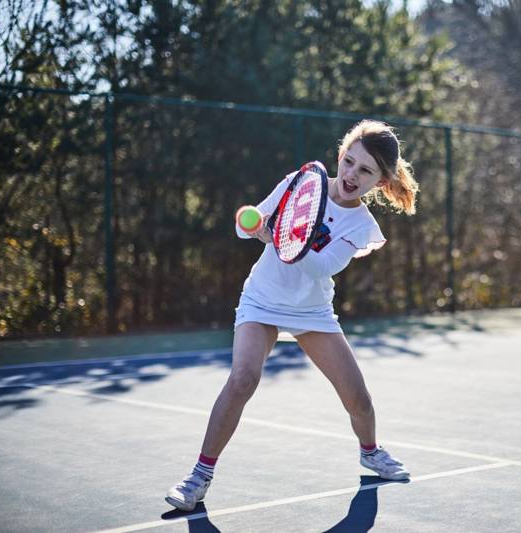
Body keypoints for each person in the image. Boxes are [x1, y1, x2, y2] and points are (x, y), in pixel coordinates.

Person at [166, 120, 419, 512]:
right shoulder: (301, 184)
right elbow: (247, 226)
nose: (352, 174)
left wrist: (281, 236)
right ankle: (198, 477)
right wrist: (252, 222)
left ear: (381, 181)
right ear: (341, 155)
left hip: (312, 312)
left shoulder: (361, 226)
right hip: (262, 301)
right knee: (242, 380)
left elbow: (320, 268)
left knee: (359, 399)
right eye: (349, 162)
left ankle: (370, 452)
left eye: (365, 170)